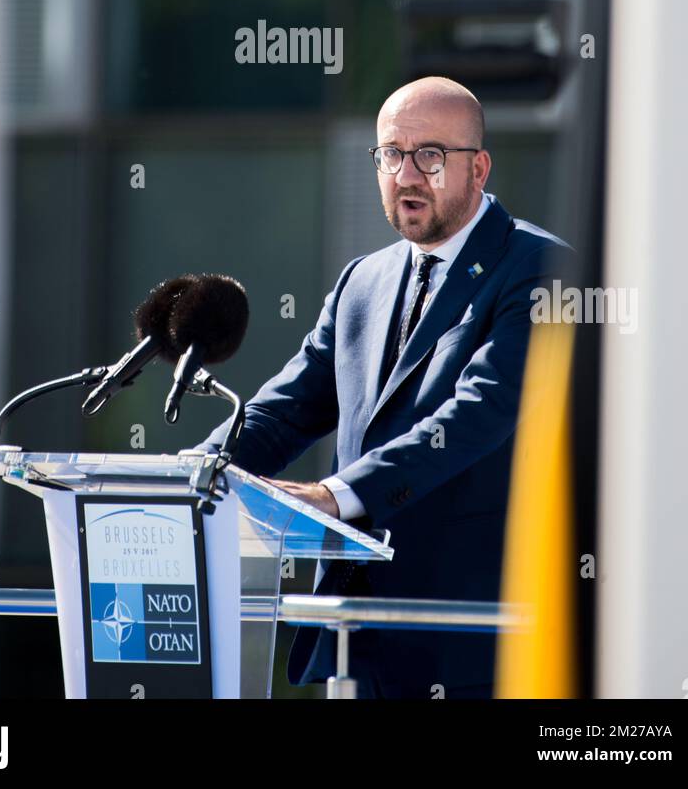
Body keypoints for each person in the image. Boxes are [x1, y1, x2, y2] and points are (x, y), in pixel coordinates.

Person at [195, 76, 574, 699]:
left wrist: (335, 496)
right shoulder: (362, 282)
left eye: (430, 156)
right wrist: (191, 475)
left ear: (478, 168)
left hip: (476, 642)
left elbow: (478, 414)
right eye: (390, 155)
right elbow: (282, 413)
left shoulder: (542, 269)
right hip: (358, 641)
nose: (406, 175)